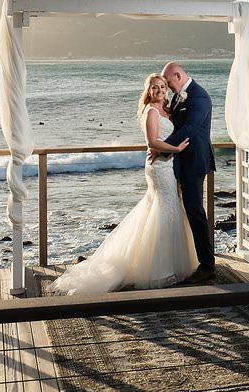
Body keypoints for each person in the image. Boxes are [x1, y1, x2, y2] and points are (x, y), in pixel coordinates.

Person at [51, 73, 198, 295]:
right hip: (158, 168)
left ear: (166, 89)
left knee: (164, 211)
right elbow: (152, 142)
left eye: (161, 87)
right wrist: (176, 150)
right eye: (154, 88)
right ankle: (161, 271)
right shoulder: (150, 111)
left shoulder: (166, 110)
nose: (159, 91)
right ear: (148, 92)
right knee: (163, 210)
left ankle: (165, 265)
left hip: (168, 166)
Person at [156, 61, 216, 283]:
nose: (167, 87)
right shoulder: (179, 95)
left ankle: (208, 265)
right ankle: (183, 259)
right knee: (182, 211)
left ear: (178, 75)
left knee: (195, 212)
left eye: (169, 82)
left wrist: (159, 148)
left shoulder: (199, 96)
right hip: (179, 160)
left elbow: (189, 129)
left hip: (194, 162)